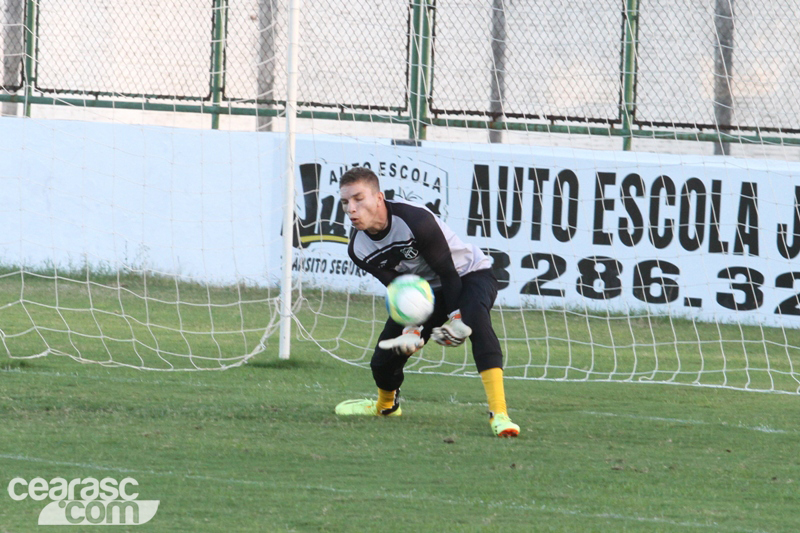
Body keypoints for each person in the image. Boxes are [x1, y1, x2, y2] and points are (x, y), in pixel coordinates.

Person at [333, 167, 520, 437]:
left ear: (378, 198)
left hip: (468, 275)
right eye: (345, 202)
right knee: (382, 360)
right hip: (425, 292)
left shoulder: (415, 220)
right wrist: (412, 329)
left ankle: (499, 414)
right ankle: (386, 407)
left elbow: (448, 273)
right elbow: (401, 289)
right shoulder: (359, 249)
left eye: (358, 198)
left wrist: (457, 319)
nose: (351, 208)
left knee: (475, 321)